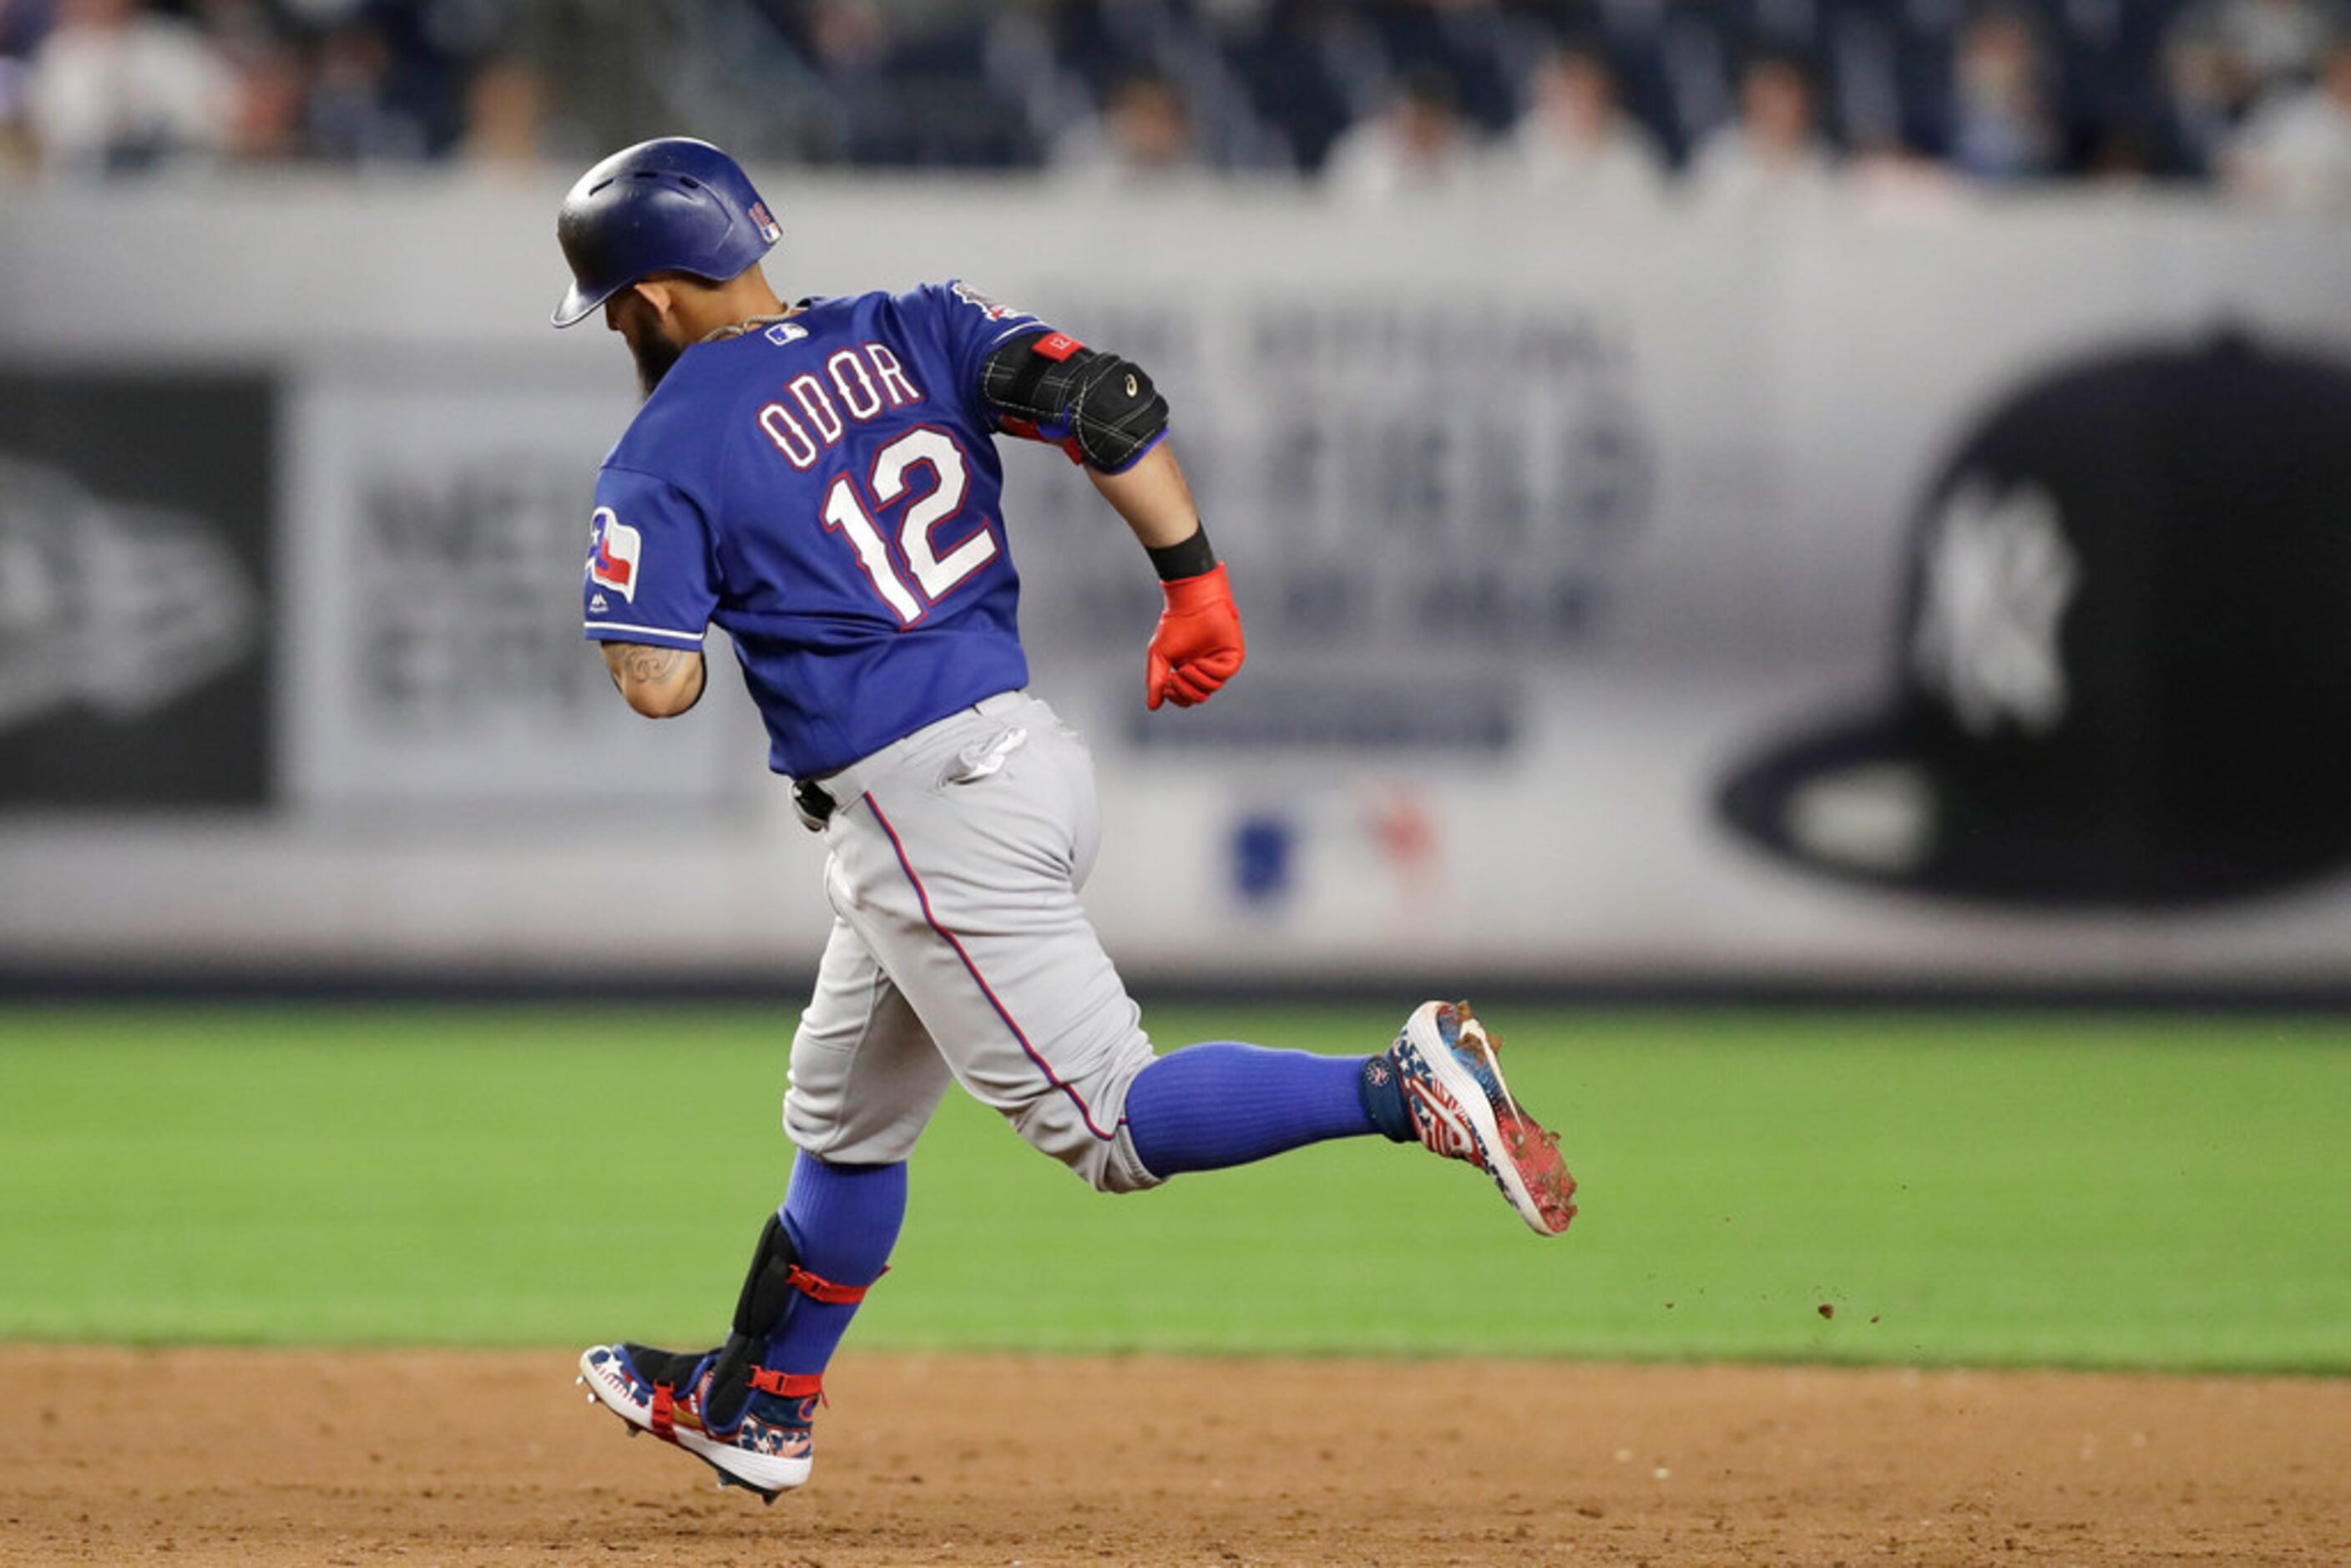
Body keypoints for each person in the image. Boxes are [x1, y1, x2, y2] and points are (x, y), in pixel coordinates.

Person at [550, 137, 1578, 1501]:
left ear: (653, 297)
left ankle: (1399, 1085)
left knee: (1107, 1123)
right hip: (1020, 754)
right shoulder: (915, 322)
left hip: (924, 809)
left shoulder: (661, 445)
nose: (623, 326)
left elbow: (662, 685)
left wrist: (640, 605)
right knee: (844, 1118)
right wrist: (1195, 586)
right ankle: (761, 1401)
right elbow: (1106, 400)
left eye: (617, 305)